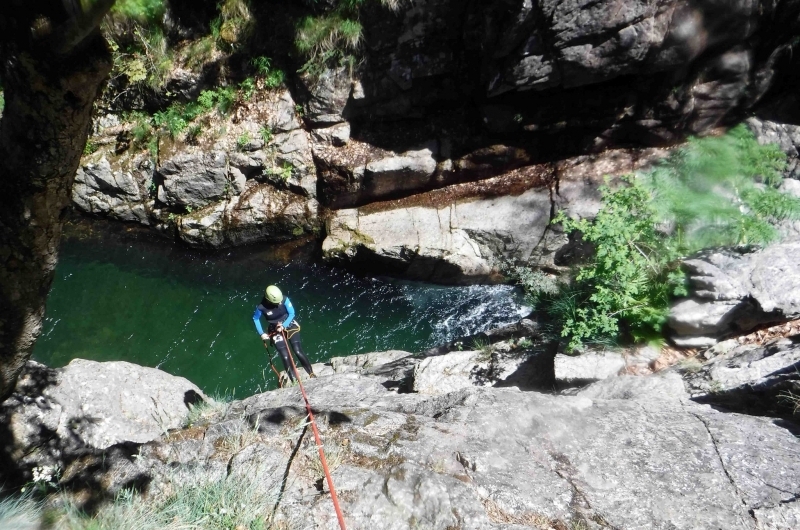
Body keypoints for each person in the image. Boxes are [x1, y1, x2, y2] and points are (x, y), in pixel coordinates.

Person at [253, 285, 315, 383]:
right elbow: (255, 319)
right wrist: (261, 333)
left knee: (297, 350)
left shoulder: (284, 299)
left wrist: (284, 325)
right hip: (274, 329)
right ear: (269, 300)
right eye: (277, 302)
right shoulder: (261, 308)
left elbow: (292, 313)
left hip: (289, 324)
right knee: (285, 356)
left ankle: (311, 374)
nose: (280, 303)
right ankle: (294, 380)